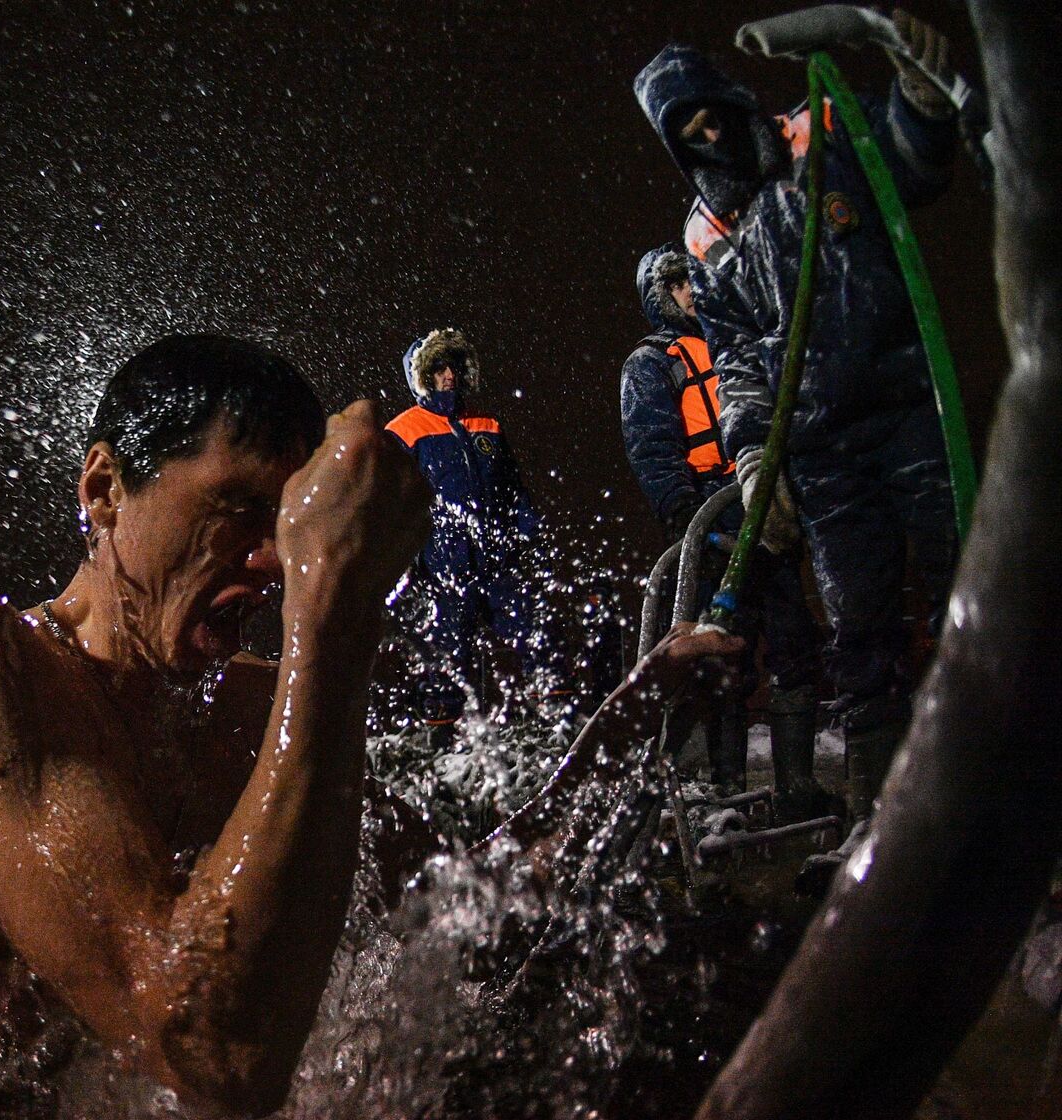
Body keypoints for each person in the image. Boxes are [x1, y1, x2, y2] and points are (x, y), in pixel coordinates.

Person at [0, 334, 742, 1115]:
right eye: (237, 509)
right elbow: (208, 1049)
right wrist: (335, 614)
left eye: (285, 526)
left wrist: (626, 725)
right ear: (103, 490)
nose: (272, 562)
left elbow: (459, 901)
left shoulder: (249, 709)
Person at [633, 10, 961, 820]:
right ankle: (882, 815)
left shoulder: (821, 132)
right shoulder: (707, 235)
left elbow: (917, 167)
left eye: (711, 111)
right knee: (859, 633)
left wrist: (919, 92)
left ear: (733, 96)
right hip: (817, 450)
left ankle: (1011, 784)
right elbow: (738, 361)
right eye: (688, 133)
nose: (710, 133)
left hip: (907, 406)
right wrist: (752, 459)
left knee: (972, 585)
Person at [620, 246, 826, 816]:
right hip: (710, 517)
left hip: (760, 503)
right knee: (723, 657)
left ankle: (795, 789)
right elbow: (653, 448)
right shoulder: (651, 363)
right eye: (678, 284)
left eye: (693, 280)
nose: (691, 291)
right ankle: (726, 789)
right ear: (660, 295)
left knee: (794, 642)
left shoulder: (731, 342)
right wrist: (686, 518)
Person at [385, 329, 571, 737]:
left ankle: (558, 733)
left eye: (453, 365)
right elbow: (390, 508)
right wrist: (403, 567)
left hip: (498, 560)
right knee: (447, 663)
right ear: (421, 375)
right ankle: (441, 748)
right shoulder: (402, 432)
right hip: (442, 568)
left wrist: (532, 538)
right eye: (437, 367)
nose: (448, 374)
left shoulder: (487, 425)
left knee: (539, 636)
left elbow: (514, 490)